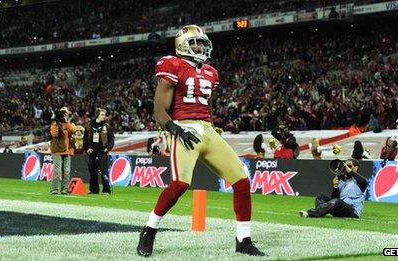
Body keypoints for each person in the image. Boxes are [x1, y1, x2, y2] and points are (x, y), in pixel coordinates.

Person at [136, 25, 265, 257]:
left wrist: (212, 128)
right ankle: (149, 229)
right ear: (182, 45)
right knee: (180, 184)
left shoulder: (211, 72)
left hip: (207, 129)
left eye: (202, 43)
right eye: (195, 42)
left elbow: (207, 105)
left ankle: (243, 240)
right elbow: (159, 110)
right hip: (183, 128)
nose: (200, 47)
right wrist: (175, 129)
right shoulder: (171, 65)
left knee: (242, 181)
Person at [299, 159, 368, 218]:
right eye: (345, 166)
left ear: (356, 167)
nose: (346, 168)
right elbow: (334, 199)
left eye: (349, 166)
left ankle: (310, 213)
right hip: (340, 209)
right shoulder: (342, 181)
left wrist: (348, 170)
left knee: (337, 201)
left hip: (352, 212)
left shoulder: (360, 182)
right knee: (321, 196)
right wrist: (335, 187)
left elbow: (363, 181)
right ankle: (321, 212)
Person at [83, 108, 114, 194]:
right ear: (97, 115)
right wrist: (87, 148)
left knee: (104, 171)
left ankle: (106, 190)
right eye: (102, 115)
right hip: (92, 152)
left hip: (102, 152)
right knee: (93, 172)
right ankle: (94, 190)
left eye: (104, 115)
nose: (104, 117)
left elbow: (111, 140)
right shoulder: (89, 126)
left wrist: (108, 148)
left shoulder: (107, 127)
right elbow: (85, 139)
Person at [49, 107, 78, 195]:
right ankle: (54, 189)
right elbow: (55, 134)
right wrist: (58, 123)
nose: (66, 115)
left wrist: (66, 122)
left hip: (67, 150)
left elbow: (74, 130)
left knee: (67, 171)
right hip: (58, 150)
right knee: (57, 171)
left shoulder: (68, 124)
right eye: (65, 113)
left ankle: (64, 190)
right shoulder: (54, 124)